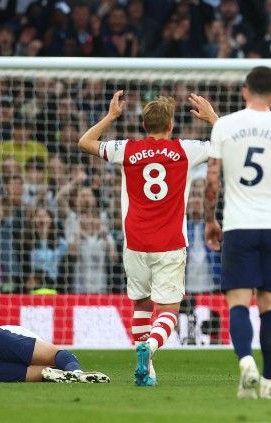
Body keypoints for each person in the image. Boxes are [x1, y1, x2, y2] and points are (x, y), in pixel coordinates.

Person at [78, 90, 218, 386]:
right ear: (170, 126)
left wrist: (111, 116)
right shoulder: (186, 150)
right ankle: (150, 347)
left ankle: (146, 369)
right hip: (170, 242)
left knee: (141, 304)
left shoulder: (126, 149)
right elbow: (229, 145)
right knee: (169, 310)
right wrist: (211, 117)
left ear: (144, 126)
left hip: (135, 242)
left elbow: (85, 143)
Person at [204, 66, 271, 399]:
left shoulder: (224, 125)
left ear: (244, 91)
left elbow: (212, 180)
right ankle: (270, 383)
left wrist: (210, 218)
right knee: (270, 305)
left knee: (238, 302)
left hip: (238, 225)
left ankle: (246, 361)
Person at [0, 325, 109, 383]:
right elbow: (59, 354)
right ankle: (77, 372)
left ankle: (74, 375)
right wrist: (72, 366)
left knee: (47, 373)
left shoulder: (33, 342)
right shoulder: (38, 340)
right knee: (56, 356)